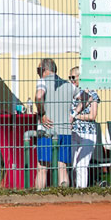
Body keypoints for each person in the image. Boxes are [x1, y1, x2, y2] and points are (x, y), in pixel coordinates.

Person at [34, 58, 74, 189]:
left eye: (38, 70)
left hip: (48, 130)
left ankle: (38, 195)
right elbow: (86, 98)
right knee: (62, 167)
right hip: (65, 130)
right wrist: (73, 115)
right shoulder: (68, 84)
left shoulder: (42, 81)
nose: (38, 73)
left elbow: (39, 96)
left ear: (44, 69)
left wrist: (42, 113)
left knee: (42, 167)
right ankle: (63, 195)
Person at [68, 67, 101, 188]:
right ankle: (72, 189)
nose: (71, 80)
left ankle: (81, 191)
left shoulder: (92, 93)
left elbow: (92, 115)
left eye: (73, 77)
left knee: (82, 165)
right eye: (70, 78)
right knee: (72, 164)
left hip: (88, 133)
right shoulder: (72, 94)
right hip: (73, 132)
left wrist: (76, 117)